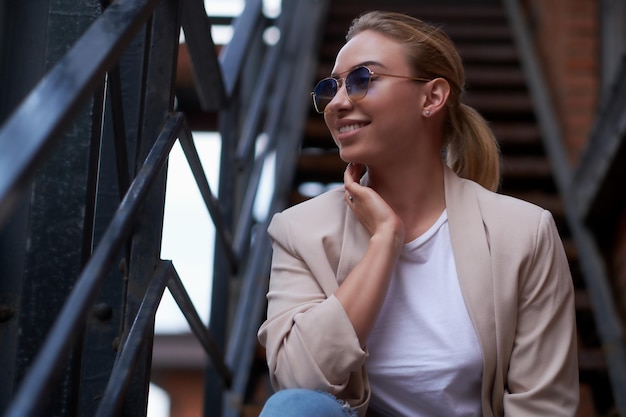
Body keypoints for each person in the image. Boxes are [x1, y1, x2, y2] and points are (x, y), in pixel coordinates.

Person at [257, 10, 578, 417]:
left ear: (432, 97)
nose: (337, 103)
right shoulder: (300, 230)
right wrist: (384, 240)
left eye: (362, 80)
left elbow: (543, 406)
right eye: (331, 87)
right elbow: (297, 382)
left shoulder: (522, 233)